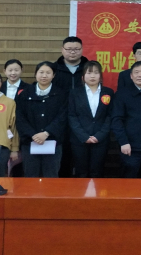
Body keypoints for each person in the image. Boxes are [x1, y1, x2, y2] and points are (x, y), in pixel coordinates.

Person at [16, 61, 69, 178]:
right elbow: (19, 117)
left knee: (51, 176)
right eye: (41, 72)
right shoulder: (25, 93)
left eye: (48, 73)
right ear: (35, 74)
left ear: (53, 75)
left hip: (53, 141)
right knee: (30, 176)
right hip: (30, 142)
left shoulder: (61, 94)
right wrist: (33, 134)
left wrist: (46, 133)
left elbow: (62, 117)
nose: (44, 76)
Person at [68, 61, 115, 178]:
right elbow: (72, 116)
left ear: (101, 76)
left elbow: (110, 116)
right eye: (89, 73)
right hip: (79, 139)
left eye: (96, 73)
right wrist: (84, 136)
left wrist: (99, 135)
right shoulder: (74, 93)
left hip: (100, 139)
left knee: (97, 172)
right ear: (83, 77)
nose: (92, 76)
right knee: (81, 172)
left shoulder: (108, 92)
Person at [53, 36, 87, 176]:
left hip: (84, 121)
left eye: (76, 49)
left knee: (82, 159)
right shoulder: (54, 69)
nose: (72, 52)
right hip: (60, 120)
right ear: (62, 50)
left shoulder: (89, 68)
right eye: (69, 49)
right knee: (63, 158)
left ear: (82, 50)